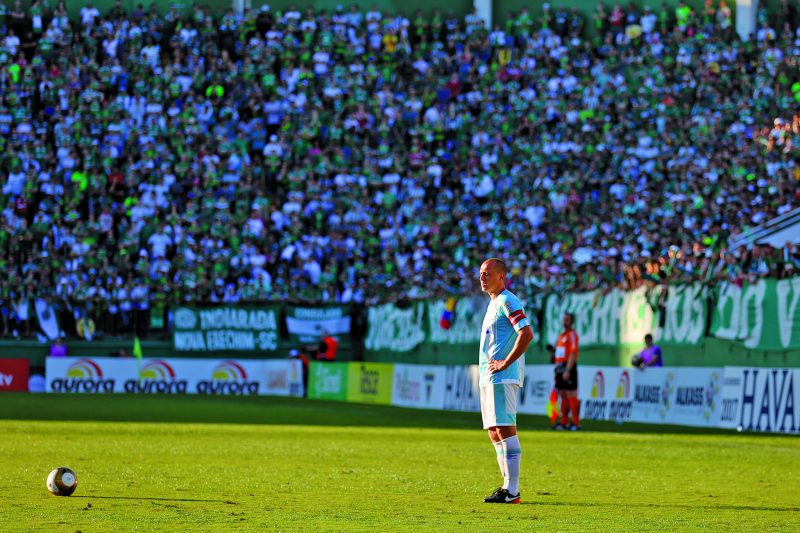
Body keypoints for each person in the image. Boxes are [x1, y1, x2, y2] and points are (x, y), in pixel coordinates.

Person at [478, 258, 533, 504]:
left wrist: (505, 362)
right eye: (481, 273)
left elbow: (526, 333)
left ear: (501, 277)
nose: (482, 277)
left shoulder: (508, 300)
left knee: (505, 428)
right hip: (489, 376)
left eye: (487, 273)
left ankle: (513, 490)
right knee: (493, 432)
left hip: (502, 376)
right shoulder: (493, 303)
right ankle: (506, 486)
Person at [554, 312, 580, 430]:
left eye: (567, 320)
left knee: (571, 393)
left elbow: (573, 353)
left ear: (571, 322)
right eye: (564, 319)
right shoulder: (561, 335)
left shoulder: (572, 335)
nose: (565, 322)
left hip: (567, 367)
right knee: (563, 394)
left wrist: (568, 370)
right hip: (559, 367)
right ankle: (564, 422)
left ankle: (575, 423)